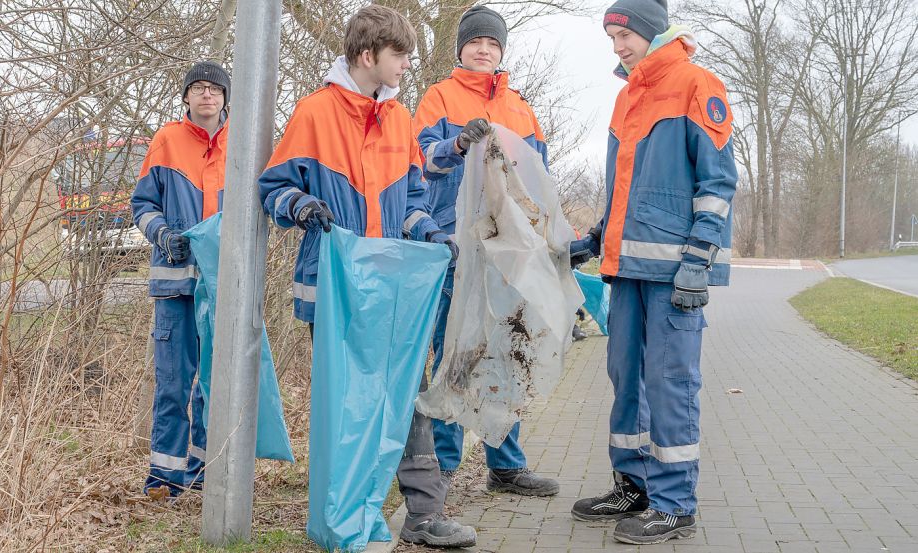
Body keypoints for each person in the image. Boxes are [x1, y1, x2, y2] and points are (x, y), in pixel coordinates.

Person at [256, 6, 475, 548]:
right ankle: (342, 514)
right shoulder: (314, 114)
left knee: (407, 399)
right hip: (333, 293)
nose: (406, 64)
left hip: (391, 292)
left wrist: (429, 234)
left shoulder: (399, 120)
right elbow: (272, 189)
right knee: (346, 408)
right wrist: (302, 205)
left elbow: (415, 196)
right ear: (366, 55)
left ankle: (423, 517)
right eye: (399, 54)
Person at [570, 0, 738, 545]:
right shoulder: (627, 95)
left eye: (625, 36)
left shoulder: (697, 84)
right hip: (626, 268)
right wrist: (597, 237)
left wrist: (699, 261)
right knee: (626, 380)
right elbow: (625, 187)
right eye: (612, 39)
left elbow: (717, 186)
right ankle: (634, 485)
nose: (617, 47)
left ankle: (675, 503)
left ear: (652, 32)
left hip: (674, 276)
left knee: (670, 384)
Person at [413, 5, 567, 498]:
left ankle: (506, 464)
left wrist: (545, 238)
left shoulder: (521, 107)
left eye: (492, 43)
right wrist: (456, 145)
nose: (484, 49)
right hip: (455, 243)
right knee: (455, 349)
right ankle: (445, 464)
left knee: (508, 348)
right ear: (460, 47)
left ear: (501, 51)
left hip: (509, 250)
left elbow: (537, 180)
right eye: (475, 41)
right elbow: (418, 163)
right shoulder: (439, 96)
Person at [131, 60, 231, 498]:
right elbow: (142, 205)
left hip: (224, 287)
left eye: (215, 88)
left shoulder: (242, 143)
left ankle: (202, 470)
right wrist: (162, 234)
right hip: (174, 287)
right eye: (198, 88)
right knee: (173, 385)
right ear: (186, 97)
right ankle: (164, 478)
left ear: (226, 97)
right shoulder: (167, 141)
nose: (207, 95)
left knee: (213, 384)